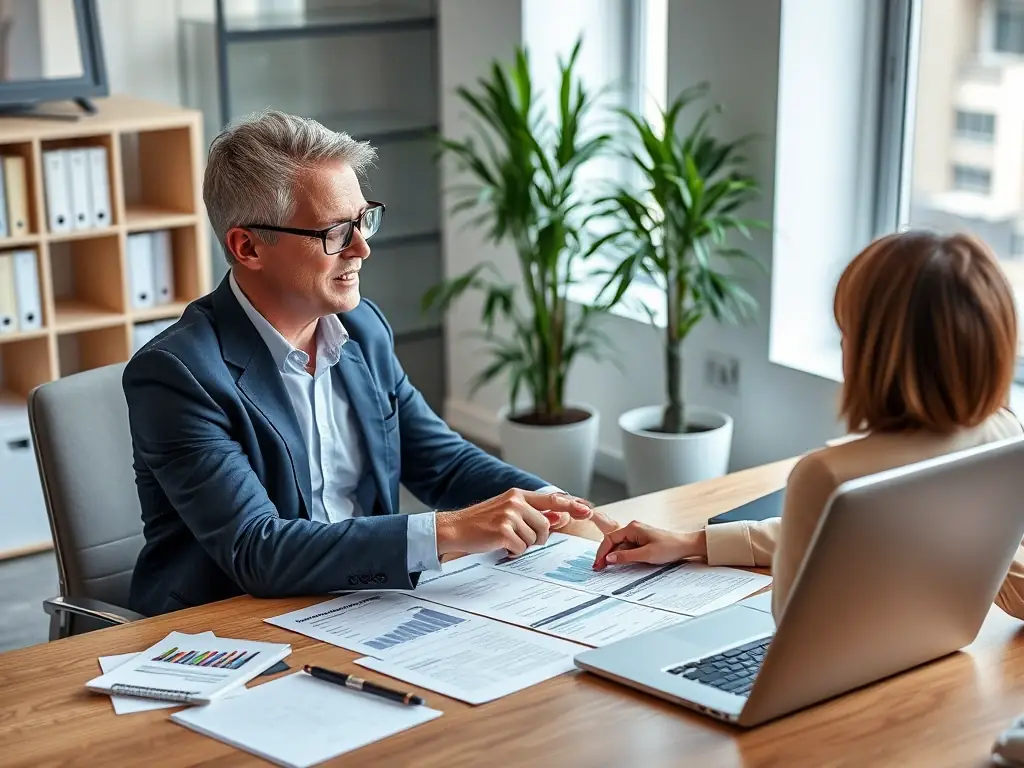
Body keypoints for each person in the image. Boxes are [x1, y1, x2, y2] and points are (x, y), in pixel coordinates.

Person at [122, 110, 597, 617]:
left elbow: (443, 463)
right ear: (248, 246)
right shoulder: (178, 374)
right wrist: (447, 531)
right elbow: (258, 550)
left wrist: (552, 502)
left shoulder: (363, 329)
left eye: (364, 219)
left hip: (366, 604)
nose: (363, 248)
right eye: (335, 232)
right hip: (233, 623)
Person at [592, 229, 1024, 620]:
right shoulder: (1004, 436)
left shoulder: (829, 474)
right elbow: (827, 534)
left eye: (846, 330)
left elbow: (792, 614)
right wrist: (691, 542)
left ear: (873, 356)